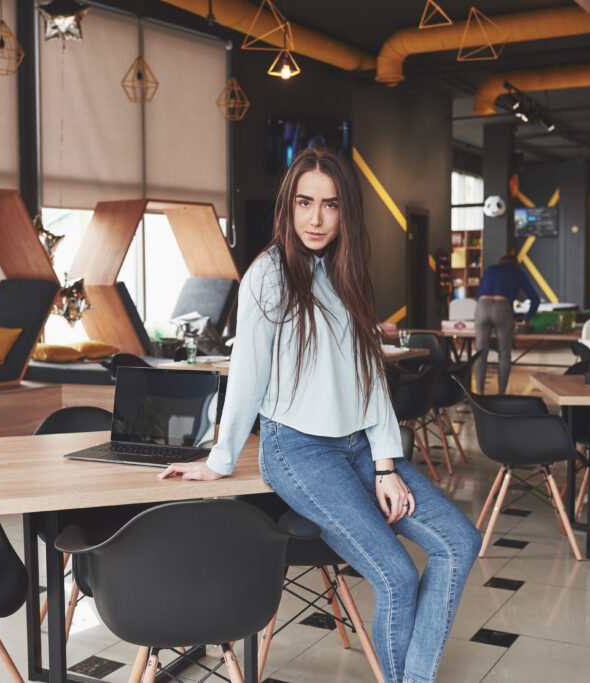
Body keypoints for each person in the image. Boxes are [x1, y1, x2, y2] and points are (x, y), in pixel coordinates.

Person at [159, 148, 480, 683]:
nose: (316, 218)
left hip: (358, 447)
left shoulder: (345, 272)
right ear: (289, 206)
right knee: (397, 578)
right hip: (299, 451)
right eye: (305, 202)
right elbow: (248, 374)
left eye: (330, 206)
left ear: (344, 213)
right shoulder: (268, 275)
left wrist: (385, 465)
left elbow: (370, 377)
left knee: (459, 543)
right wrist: (220, 459)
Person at [473, 253, 540, 394]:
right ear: (516, 264)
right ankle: (501, 394)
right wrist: (527, 318)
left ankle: (479, 393)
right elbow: (535, 299)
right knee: (504, 354)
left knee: (480, 353)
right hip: (502, 308)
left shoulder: (490, 269)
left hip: (481, 307)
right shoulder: (517, 272)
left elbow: (478, 293)